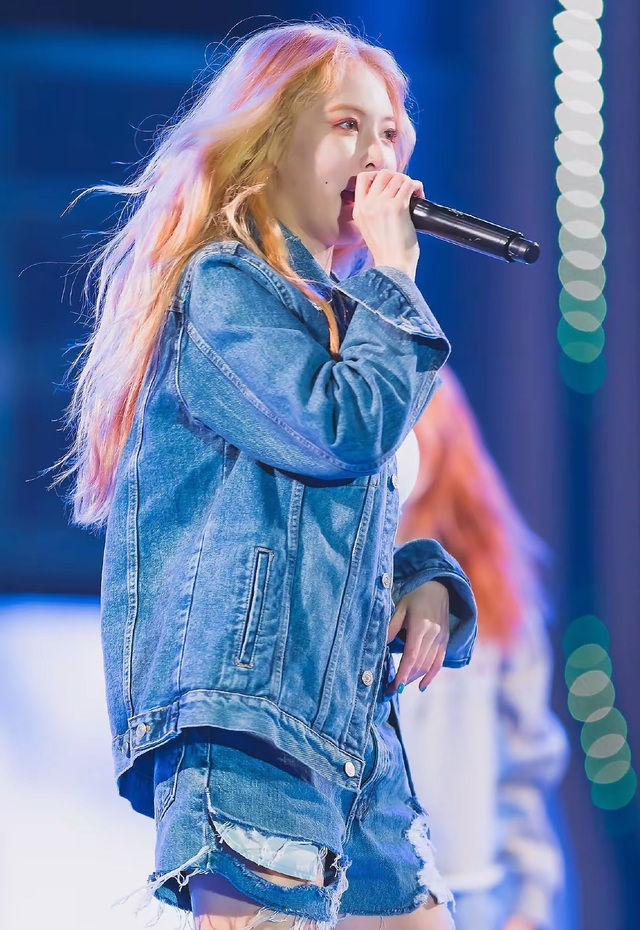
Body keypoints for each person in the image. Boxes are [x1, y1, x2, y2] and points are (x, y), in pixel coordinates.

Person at [56, 21, 478, 930]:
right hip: (253, 723)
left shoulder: (341, 319)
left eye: (391, 133)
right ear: (270, 139)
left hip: (346, 724)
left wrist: (420, 579)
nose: (378, 156)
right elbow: (342, 432)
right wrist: (396, 278)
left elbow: (318, 524)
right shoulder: (222, 287)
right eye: (347, 126)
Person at [395, 368, 569, 930]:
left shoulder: (493, 589)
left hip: (473, 894)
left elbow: (527, 760)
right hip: (359, 893)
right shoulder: (333, 576)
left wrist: (530, 902)